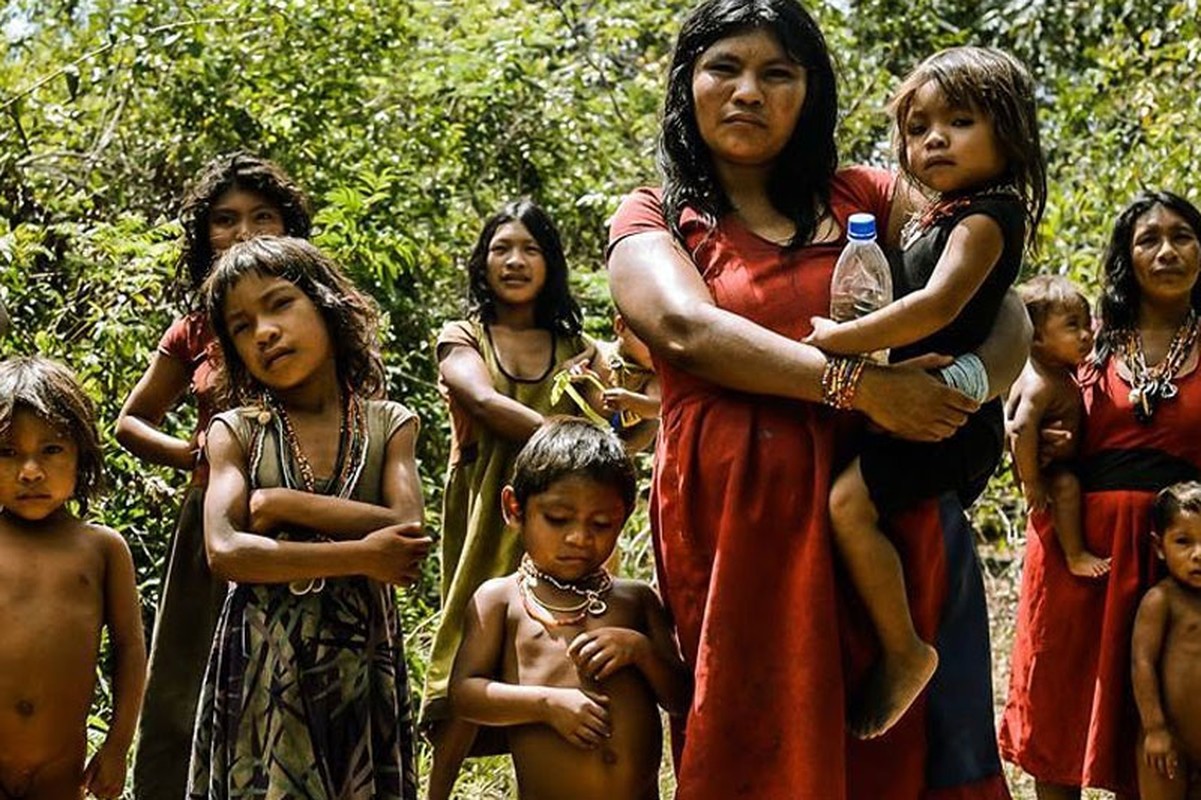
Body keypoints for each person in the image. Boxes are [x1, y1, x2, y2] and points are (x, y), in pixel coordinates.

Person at [606, 0, 1030, 797]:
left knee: (907, 755)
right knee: (759, 738)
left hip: (881, 512)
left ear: (811, 93)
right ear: (685, 84)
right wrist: (860, 386)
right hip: (736, 518)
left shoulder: (867, 195)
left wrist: (963, 387)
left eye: (777, 73)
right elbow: (682, 326)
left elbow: (997, 302)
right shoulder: (656, 214)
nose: (747, 92)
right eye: (723, 68)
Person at [802, 46, 1046, 737]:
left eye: (958, 121)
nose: (932, 139)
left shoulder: (985, 218)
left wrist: (837, 341)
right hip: (920, 410)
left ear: (1009, 131)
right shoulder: (939, 213)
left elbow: (937, 306)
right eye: (917, 128)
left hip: (952, 423)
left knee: (846, 506)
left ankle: (905, 649)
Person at [187, 236, 430, 799]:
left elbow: (409, 531)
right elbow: (225, 552)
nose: (264, 332)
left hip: (360, 667)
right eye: (242, 326)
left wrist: (280, 505)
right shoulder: (237, 431)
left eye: (279, 305)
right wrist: (364, 554)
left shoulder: (388, 424)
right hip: (263, 667)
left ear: (326, 305)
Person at [117, 150, 312, 800]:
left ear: (289, 226)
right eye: (225, 219)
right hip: (212, 528)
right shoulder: (197, 330)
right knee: (184, 688)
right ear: (205, 234)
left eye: (263, 215)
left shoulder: (319, 319)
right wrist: (194, 452)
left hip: (310, 527)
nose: (244, 231)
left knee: (301, 691)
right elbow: (131, 421)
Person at [1000, 190, 1201, 799]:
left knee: (1158, 729)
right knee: (1060, 717)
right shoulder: (1084, 342)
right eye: (1148, 239)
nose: (1166, 250)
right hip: (1077, 552)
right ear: (1126, 257)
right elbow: (1026, 427)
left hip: (1175, 559)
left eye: (1183, 236)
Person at [421, 200, 596, 800]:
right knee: (471, 648)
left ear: (551, 263)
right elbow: (483, 401)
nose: (516, 261)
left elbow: (615, 424)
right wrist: (571, 439)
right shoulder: (462, 337)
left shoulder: (577, 348)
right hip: (484, 518)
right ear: (482, 261)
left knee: (562, 648)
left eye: (531, 249)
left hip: (563, 524)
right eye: (501, 249)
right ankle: (436, 791)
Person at [449, 418, 689, 800]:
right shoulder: (502, 600)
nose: (579, 538)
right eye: (558, 519)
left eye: (602, 523)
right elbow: (465, 694)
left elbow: (681, 699)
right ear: (514, 508)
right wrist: (546, 704)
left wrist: (640, 651)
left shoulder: (636, 600)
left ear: (623, 519)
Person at [0, 356, 146, 800]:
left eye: (51, 450)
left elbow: (130, 649)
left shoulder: (102, 549)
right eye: (7, 452)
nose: (30, 471)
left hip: (61, 769)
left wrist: (118, 745)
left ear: (81, 456)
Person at [1006, 276, 1107, 578]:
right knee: (1066, 487)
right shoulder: (1039, 382)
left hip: (1060, 461)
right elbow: (1020, 429)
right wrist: (1032, 480)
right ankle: (1075, 555)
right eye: (1073, 326)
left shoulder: (1058, 370)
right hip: (1049, 469)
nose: (1087, 334)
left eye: (1088, 324)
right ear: (1037, 337)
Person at [1131, 482, 1201, 800]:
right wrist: (1155, 728)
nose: (1199, 555)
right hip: (1169, 743)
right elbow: (1142, 663)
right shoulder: (1162, 600)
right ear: (1159, 547)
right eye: (1184, 542)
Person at [587, 314, 661, 453]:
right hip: (577, 430)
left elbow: (657, 407)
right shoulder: (599, 349)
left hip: (619, 446)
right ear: (620, 326)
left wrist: (631, 401)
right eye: (647, 338)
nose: (658, 349)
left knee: (653, 423)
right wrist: (575, 369)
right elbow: (570, 365)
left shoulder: (650, 377)